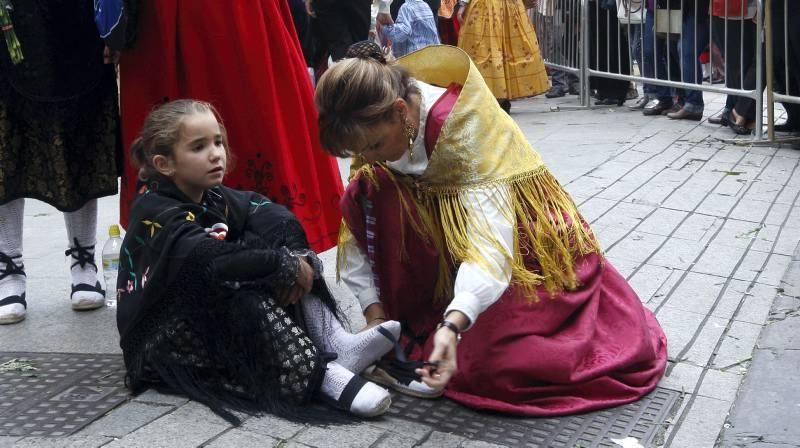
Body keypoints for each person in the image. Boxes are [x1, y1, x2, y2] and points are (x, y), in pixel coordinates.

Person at [314, 43, 667, 415]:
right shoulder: (372, 118)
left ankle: (445, 322)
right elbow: (357, 233)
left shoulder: (462, 126)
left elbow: (490, 247)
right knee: (367, 190)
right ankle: (405, 324)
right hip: (447, 237)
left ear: (401, 111)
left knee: (499, 366)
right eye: (361, 150)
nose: (368, 158)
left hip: (516, 243)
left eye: (374, 145)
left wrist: (454, 323)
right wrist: (375, 315)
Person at [118, 99, 401, 423]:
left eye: (218, 142)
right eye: (199, 147)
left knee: (274, 241)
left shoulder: (210, 194)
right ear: (164, 164)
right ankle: (320, 376)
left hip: (197, 322)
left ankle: (333, 339)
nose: (215, 154)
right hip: (162, 342)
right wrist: (282, 266)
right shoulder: (153, 210)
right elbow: (211, 259)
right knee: (239, 280)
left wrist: (294, 259)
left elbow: (268, 212)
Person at [118, 0, 344, 254]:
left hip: (234, 13)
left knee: (256, 104)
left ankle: (277, 245)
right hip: (171, 15)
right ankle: (176, 241)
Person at [0, 0, 122, 324]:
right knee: (6, 137)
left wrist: (115, 26)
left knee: (78, 126)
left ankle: (84, 262)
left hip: (75, 17)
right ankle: (8, 265)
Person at [456, 0, 549, 113]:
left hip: (486, 8)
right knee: (509, 51)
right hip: (508, 7)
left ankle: (493, 97)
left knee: (486, 52)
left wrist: (463, 5)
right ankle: (502, 97)